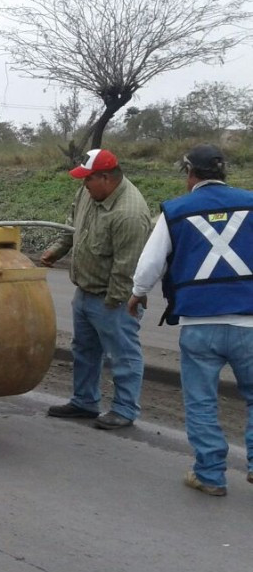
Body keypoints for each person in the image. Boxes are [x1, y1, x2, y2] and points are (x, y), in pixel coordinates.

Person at [128, 144, 253, 496]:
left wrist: (138, 293)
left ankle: (210, 475)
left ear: (190, 174)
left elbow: (151, 263)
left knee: (201, 402)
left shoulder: (175, 211)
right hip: (250, 324)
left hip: (199, 324)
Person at [41, 148, 152, 429]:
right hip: (85, 290)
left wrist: (113, 304)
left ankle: (124, 409)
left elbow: (127, 269)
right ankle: (84, 401)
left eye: (88, 179)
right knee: (84, 350)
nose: (83, 184)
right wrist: (58, 249)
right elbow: (73, 225)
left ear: (106, 178)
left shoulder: (129, 214)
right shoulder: (88, 193)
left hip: (114, 299)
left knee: (123, 355)